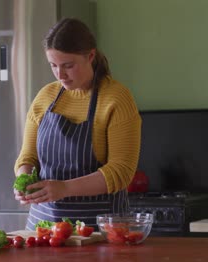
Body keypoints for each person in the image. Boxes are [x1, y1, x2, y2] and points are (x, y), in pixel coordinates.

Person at [13, 18, 141, 231]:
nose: (60, 75)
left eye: (68, 66)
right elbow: (28, 157)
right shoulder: (46, 96)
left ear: (90, 56)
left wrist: (64, 188)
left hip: (100, 231)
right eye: (53, 65)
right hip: (43, 229)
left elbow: (121, 172)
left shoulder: (116, 98)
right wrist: (24, 178)